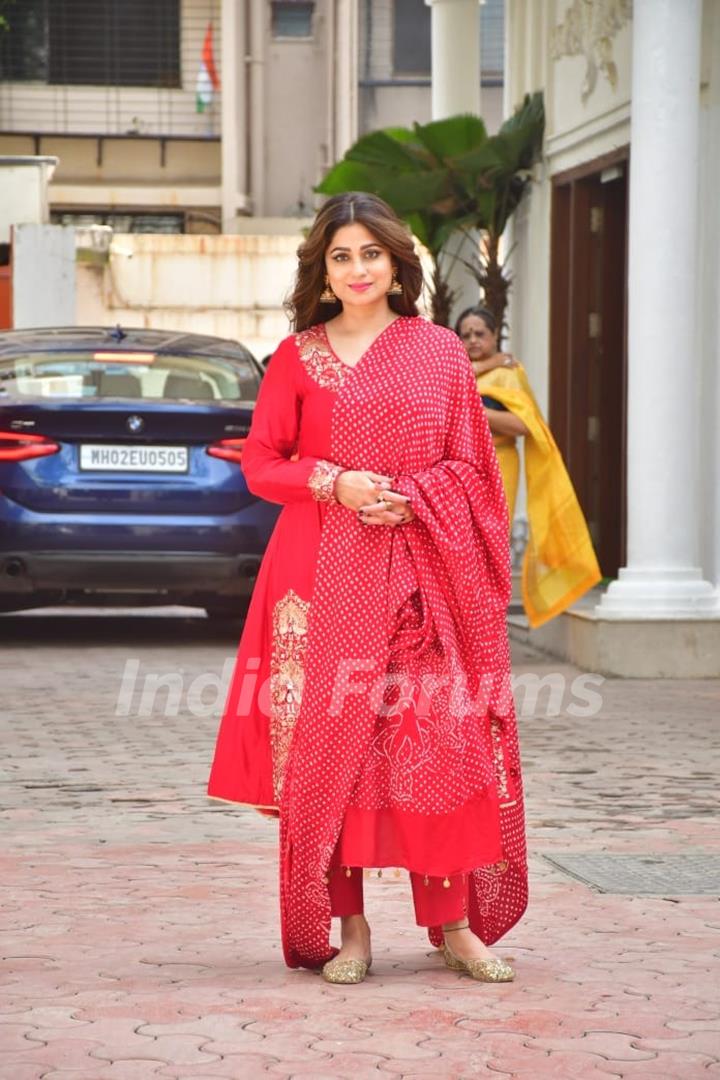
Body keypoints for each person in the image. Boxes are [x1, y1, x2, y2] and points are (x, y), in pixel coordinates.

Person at [208, 194, 527, 985]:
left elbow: (472, 469)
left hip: (426, 575)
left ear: (396, 263)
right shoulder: (296, 356)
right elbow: (262, 463)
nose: (356, 270)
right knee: (338, 754)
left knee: (438, 744)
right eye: (341, 256)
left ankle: (453, 927)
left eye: (370, 255)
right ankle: (350, 930)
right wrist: (338, 482)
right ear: (322, 268)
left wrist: (413, 499)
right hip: (319, 574)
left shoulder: (438, 353)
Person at [456, 305, 601, 628]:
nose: (473, 340)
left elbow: (523, 424)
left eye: (480, 334)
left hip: (498, 462)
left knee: (490, 543)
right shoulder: (450, 374)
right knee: (459, 545)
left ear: (495, 336)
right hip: (457, 468)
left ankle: (486, 625)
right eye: (465, 335)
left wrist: (471, 407)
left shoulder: (508, 375)